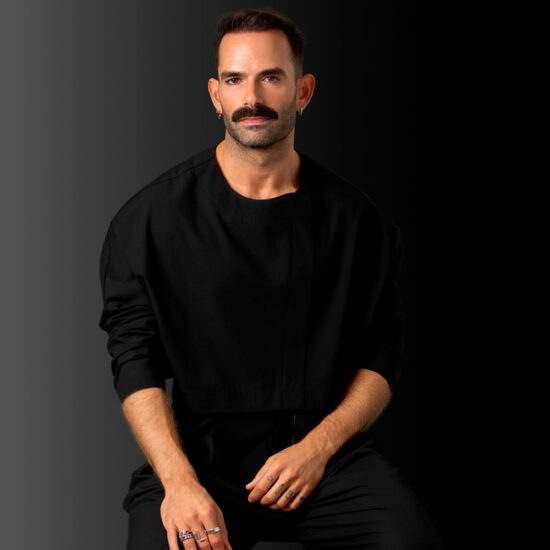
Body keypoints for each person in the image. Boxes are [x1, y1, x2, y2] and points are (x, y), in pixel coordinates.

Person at [98, 7, 444, 550]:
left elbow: (382, 357)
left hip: (324, 458)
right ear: (215, 95)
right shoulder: (147, 221)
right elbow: (133, 359)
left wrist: (318, 449)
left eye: (271, 78)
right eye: (235, 79)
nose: (252, 97)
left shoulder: (358, 221)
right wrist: (179, 483)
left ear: (303, 92)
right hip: (199, 461)